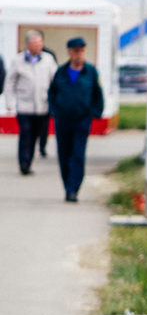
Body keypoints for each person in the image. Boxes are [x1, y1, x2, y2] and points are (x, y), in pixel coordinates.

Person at [47, 37, 103, 202]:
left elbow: (97, 94)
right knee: (64, 154)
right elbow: (52, 93)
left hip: (82, 120)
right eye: (76, 51)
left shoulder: (91, 72)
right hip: (63, 120)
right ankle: (67, 185)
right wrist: (53, 111)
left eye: (82, 51)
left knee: (78, 154)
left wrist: (95, 112)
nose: (79, 54)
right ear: (70, 52)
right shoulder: (61, 72)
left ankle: (74, 189)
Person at [5, 31, 56, 175]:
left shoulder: (48, 59)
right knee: (25, 133)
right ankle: (24, 163)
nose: (38, 46)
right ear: (28, 45)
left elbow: (55, 81)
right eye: (35, 43)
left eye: (40, 43)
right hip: (24, 105)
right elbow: (10, 82)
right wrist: (9, 102)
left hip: (42, 106)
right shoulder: (18, 60)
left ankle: (29, 161)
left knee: (35, 135)